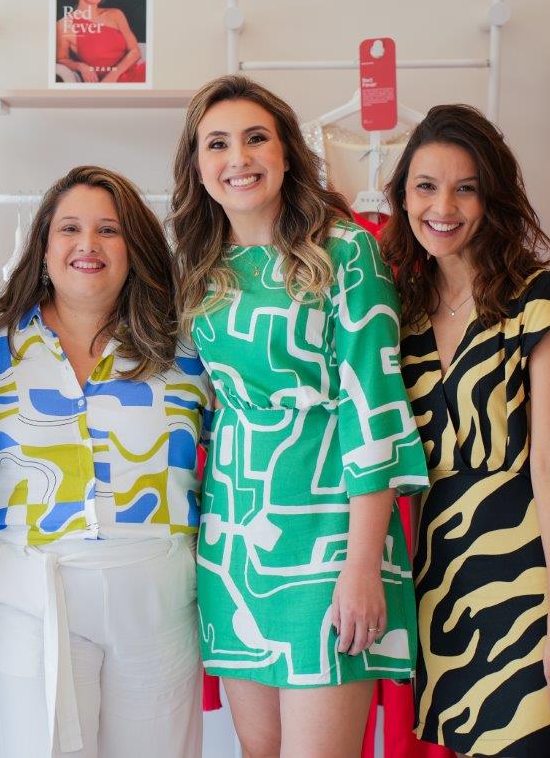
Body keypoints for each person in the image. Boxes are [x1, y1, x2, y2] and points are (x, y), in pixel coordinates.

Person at [169, 75, 430, 758]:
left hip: (331, 540)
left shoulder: (346, 251)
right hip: (235, 542)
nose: (238, 157)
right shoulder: (199, 270)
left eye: (256, 138)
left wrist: (363, 565)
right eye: (217, 144)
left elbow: (374, 407)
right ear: (197, 165)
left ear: (287, 153)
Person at [381, 104, 550, 757]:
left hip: (538, 588)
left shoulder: (544, 306)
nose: (443, 206)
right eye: (426, 186)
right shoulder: (403, 317)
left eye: (466, 187)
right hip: (447, 596)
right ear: (403, 198)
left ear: (494, 197)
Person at [0, 165, 210, 758]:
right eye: (69, 228)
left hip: (157, 587)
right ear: (43, 246)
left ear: (135, 248)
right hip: (26, 584)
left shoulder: (185, 346)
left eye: (109, 230)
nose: (87, 244)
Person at [55, 0, 146, 84]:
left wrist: (113, 76)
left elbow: (135, 51)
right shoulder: (64, 24)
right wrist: (80, 66)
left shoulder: (116, 14)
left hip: (136, 75)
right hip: (107, 85)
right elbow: (61, 59)